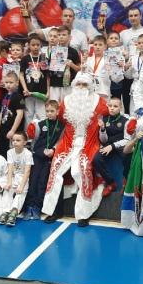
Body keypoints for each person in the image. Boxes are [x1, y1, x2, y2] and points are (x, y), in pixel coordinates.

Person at [42, 72, 109, 227]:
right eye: (78, 84)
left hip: (89, 143)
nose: (81, 87)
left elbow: (112, 113)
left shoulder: (100, 102)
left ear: (90, 86)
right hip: (67, 142)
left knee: (82, 170)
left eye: (84, 84)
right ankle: (54, 211)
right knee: (56, 169)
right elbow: (59, 119)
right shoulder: (66, 101)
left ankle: (83, 214)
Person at [24, 100, 65, 220]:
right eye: (47, 111)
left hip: (49, 158)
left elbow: (60, 141)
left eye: (52, 111)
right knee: (33, 181)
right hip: (37, 156)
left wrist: (53, 150)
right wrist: (37, 151)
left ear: (57, 111)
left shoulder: (61, 126)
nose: (49, 113)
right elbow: (34, 140)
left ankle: (38, 206)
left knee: (43, 183)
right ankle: (29, 206)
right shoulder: (40, 124)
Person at [93, 98, 135, 196]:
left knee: (128, 157)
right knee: (96, 159)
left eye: (115, 106)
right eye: (110, 106)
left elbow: (127, 140)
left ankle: (126, 180)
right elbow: (103, 140)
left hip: (120, 145)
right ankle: (111, 182)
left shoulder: (126, 121)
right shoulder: (104, 120)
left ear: (121, 107)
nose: (112, 108)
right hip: (107, 145)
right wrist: (102, 129)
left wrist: (113, 146)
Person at [0, 132, 33, 226]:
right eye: (13, 140)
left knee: (20, 193)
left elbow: (27, 171)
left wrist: (21, 186)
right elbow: (10, 168)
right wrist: (9, 182)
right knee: (7, 190)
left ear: (24, 142)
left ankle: (13, 213)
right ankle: (6, 212)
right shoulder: (10, 152)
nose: (15, 142)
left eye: (18, 140)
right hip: (13, 176)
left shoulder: (28, 154)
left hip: (23, 177)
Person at [24, 7, 89, 54]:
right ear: (61, 18)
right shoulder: (53, 31)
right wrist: (26, 17)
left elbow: (85, 54)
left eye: (70, 16)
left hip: (72, 66)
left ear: (74, 18)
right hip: (54, 66)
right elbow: (33, 33)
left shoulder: (81, 35)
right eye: (65, 16)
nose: (68, 18)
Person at [20, 35, 50, 127]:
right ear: (28, 45)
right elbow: (21, 75)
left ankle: (42, 132)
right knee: (29, 114)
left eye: (38, 45)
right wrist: (25, 89)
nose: (35, 47)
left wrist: (48, 91)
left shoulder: (44, 58)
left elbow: (47, 76)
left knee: (41, 114)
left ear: (41, 45)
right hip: (29, 92)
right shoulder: (25, 59)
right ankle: (28, 133)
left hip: (41, 92)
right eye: (33, 45)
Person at [82, 35, 121, 101]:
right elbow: (83, 75)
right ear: (93, 46)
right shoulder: (88, 60)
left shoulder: (110, 60)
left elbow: (116, 79)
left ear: (105, 46)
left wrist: (118, 67)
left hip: (103, 91)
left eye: (100, 45)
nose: (97, 47)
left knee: (103, 107)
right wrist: (83, 64)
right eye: (95, 45)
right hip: (90, 90)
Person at [0, 72, 25, 158]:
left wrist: (13, 130)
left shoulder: (18, 96)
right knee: (2, 152)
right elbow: (2, 112)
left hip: (13, 129)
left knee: (12, 152)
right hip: (3, 127)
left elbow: (20, 114)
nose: (8, 85)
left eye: (11, 82)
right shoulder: (5, 95)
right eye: (6, 82)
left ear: (17, 83)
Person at [48, 25, 81, 103]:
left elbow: (79, 69)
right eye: (59, 35)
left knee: (67, 105)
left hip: (68, 84)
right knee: (53, 105)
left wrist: (71, 64)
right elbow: (49, 68)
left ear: (69, 37)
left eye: (64, 35)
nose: (61, 37)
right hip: (54, 83)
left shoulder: (73, 52)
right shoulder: (54, 50)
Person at [123, 33, 143, 115]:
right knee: (134, 113)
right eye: (139, 43)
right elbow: (128, 76)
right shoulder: (133, 57)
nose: (141, 45)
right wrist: (126, 68)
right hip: (136, 86)